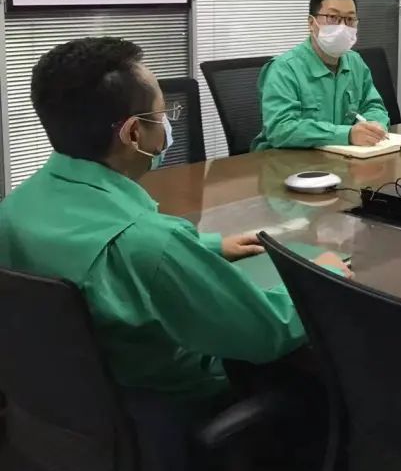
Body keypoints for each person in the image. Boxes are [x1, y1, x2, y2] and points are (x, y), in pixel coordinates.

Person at [0, 37, 351, 401]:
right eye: (162, 114)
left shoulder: (12, 210)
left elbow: (97, 258)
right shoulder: (150, 243)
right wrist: (322, 280)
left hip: (59, 404)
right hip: (172, 405)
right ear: (133, 133)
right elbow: (268, 332)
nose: (167, 123)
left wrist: (206, 247)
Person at [252, 0, 390, 151]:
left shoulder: (355, 62)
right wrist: (346, 135)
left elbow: (374, 106)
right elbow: (281, 129)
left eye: (349, 19)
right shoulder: (284, 69)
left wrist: (375, 125)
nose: (342, 27)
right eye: (333, 17)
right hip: (286, 160)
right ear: (312, 23)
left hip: (344, 156)